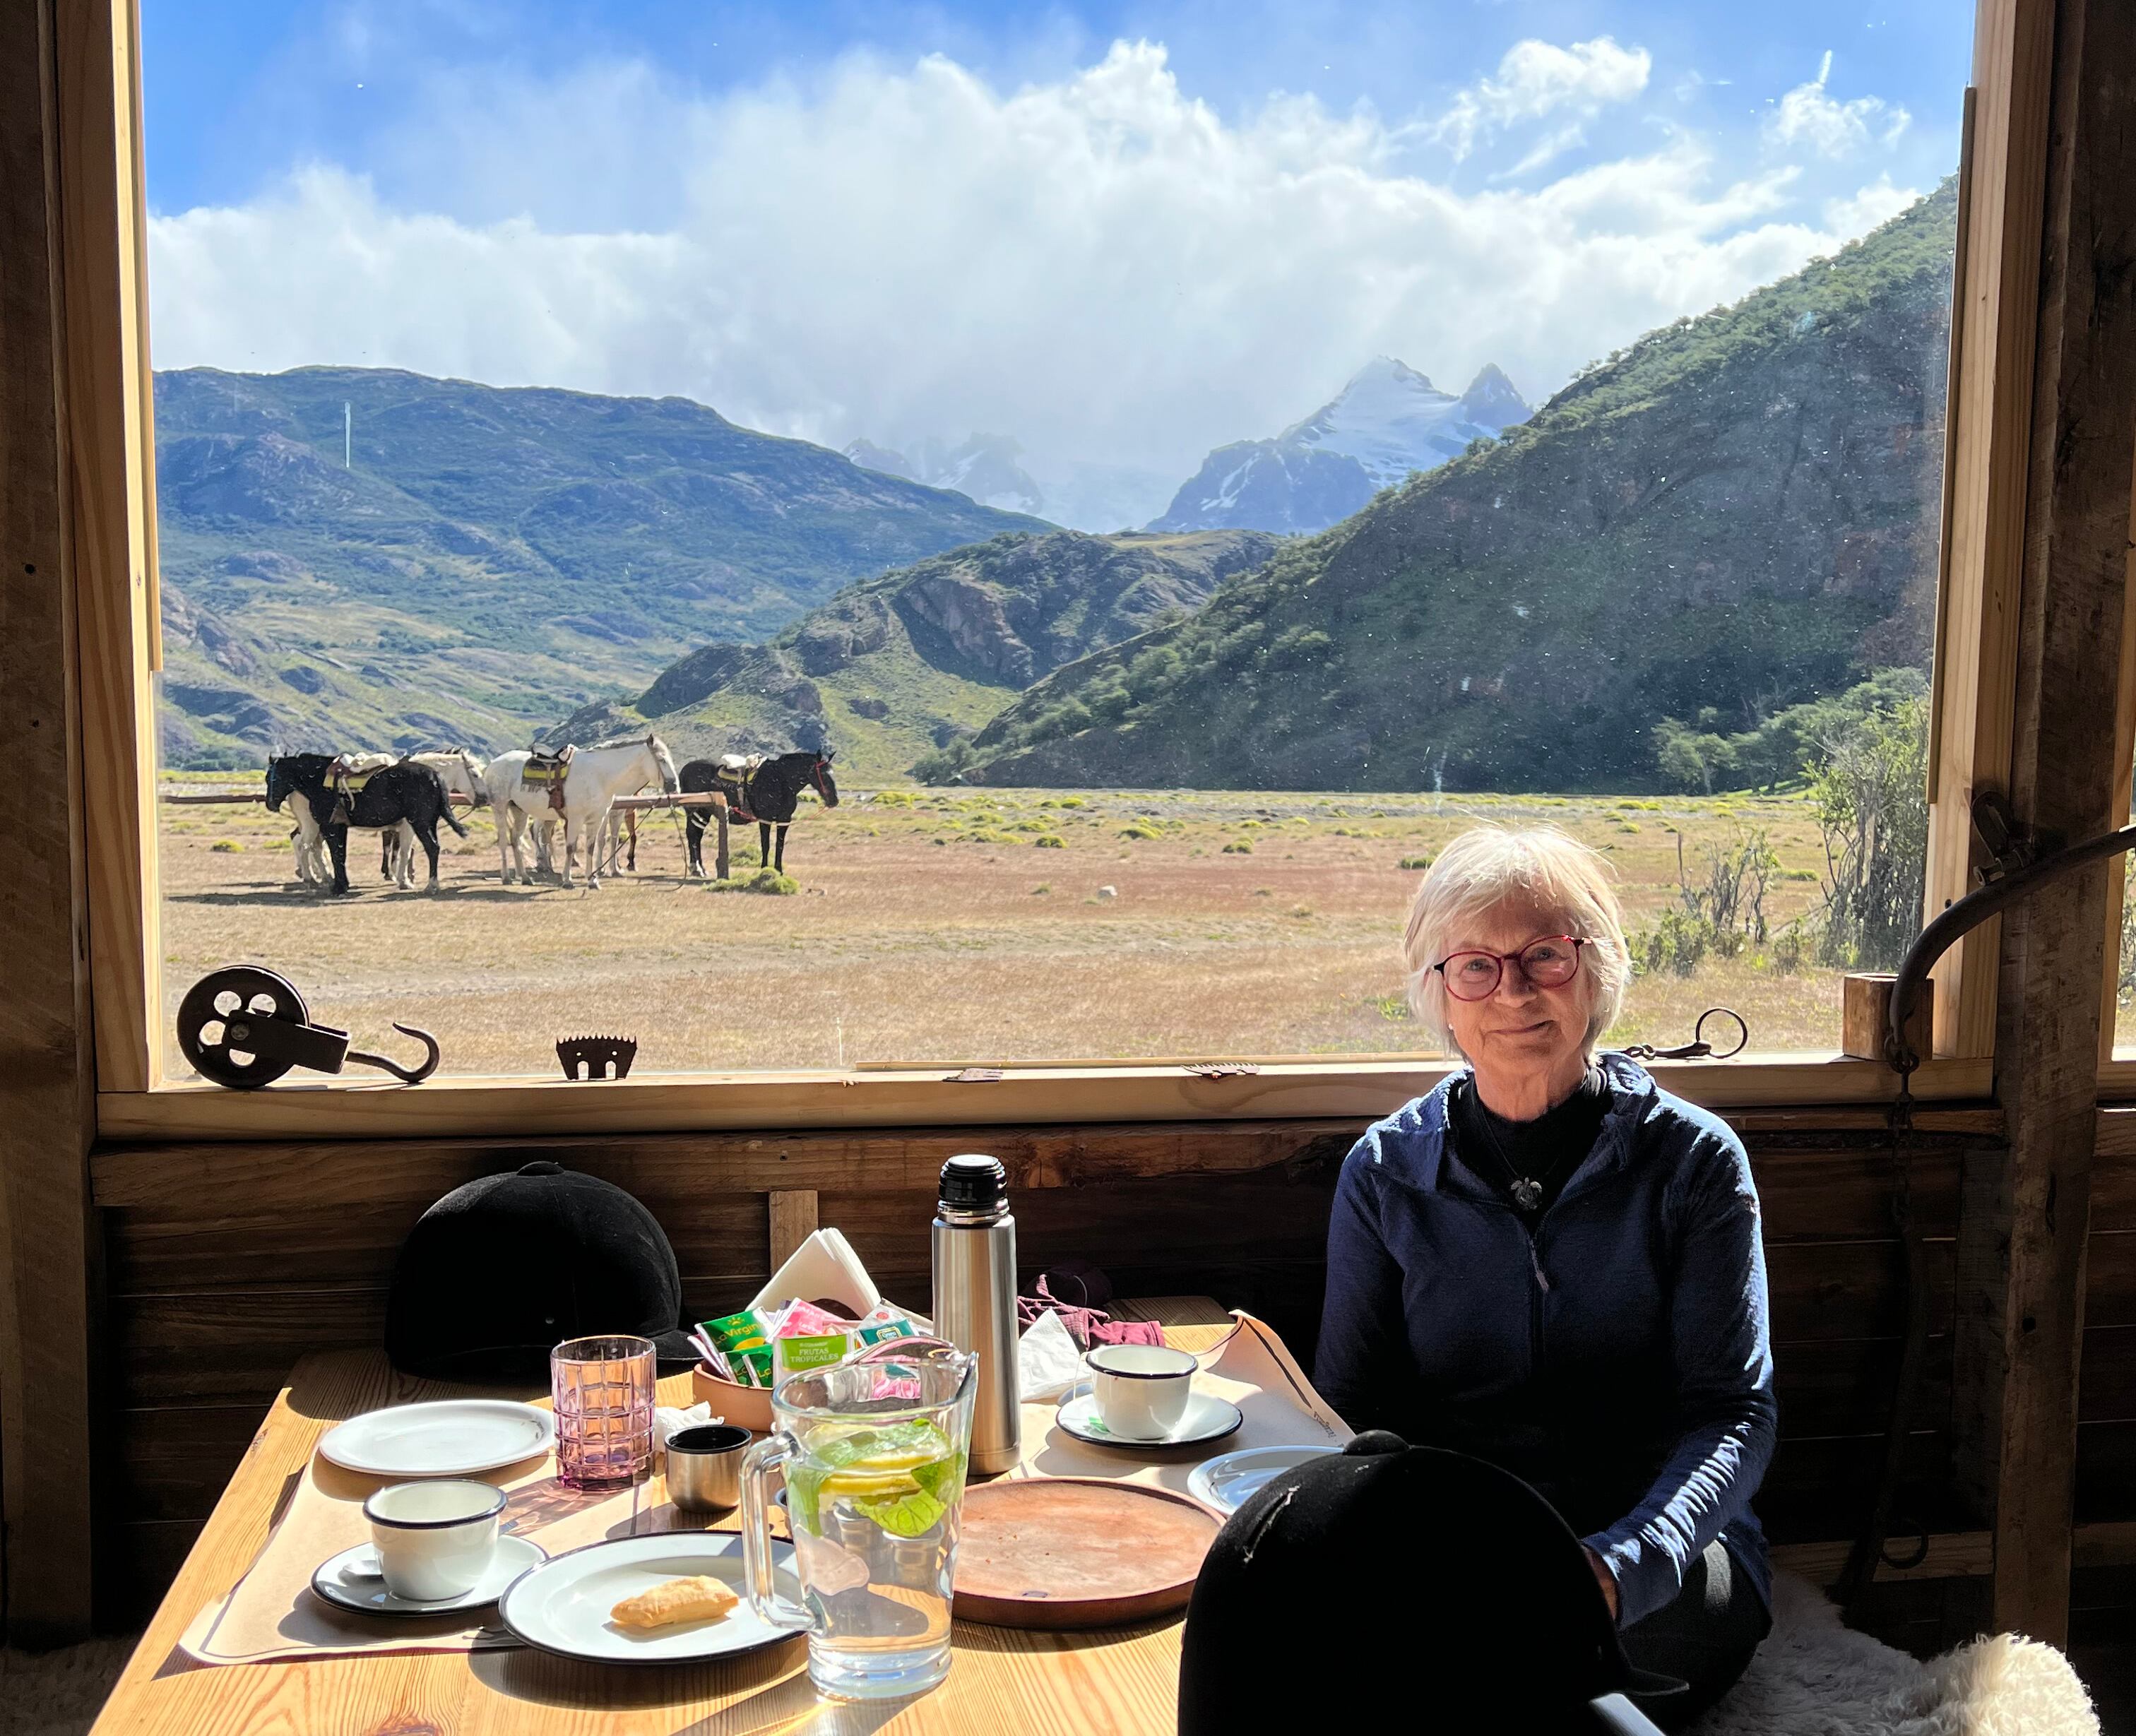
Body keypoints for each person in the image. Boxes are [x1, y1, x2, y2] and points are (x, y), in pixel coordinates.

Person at [1315, 826, 1776, 1730]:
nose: (1515, 990)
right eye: (1476, 965)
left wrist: (1621, 1563)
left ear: (1597, 969)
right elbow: (1353, 1409)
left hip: (1660, 1550)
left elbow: (1734, 1412)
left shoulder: (1694, 1162)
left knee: (1521, 1655)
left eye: (1545, 956)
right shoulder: (1385, 1171)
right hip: (1463, 1538)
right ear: (1438, 994)